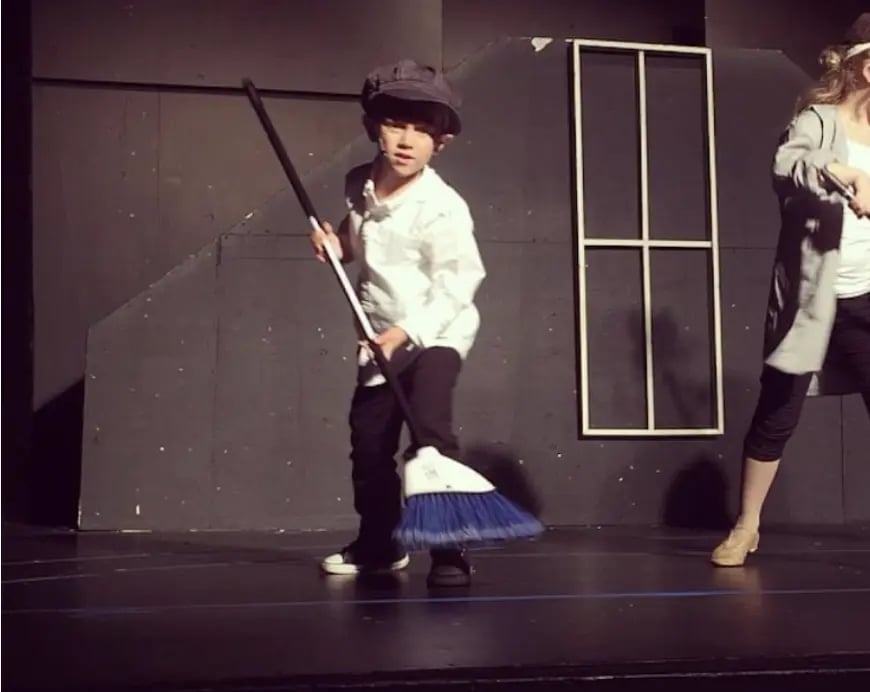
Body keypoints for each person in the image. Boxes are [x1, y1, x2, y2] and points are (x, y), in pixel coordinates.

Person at [310, 60, 486, 587]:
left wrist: (408, 332)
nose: (407, 141)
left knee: (429, 434)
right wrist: (336, 245)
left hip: (435, 331)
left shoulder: (443, 208)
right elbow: (357, 239)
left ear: (441, 143)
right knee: (368, 445)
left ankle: (449, 549)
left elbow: (459, 283)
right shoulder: (358, 183)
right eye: (395, 125)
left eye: (422, 130)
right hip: (379, 336)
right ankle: (379, 544)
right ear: (374, 128)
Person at [712, 15, 870, 567]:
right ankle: (746, 526)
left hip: (868, 297)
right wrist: (847, 173)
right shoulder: (818, 122)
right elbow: (789, 164)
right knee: (778, 412)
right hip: (811, 298)